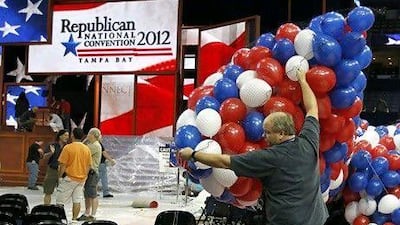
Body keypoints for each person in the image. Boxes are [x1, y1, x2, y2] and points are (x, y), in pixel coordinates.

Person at [179, 69, 329, 225]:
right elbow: (312, 109)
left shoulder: (270, 157)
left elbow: (224, 162)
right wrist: (302, 80)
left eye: (268, 132)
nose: (264, 136)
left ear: (281, 133)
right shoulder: (309, 141)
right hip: (317, 221)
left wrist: (193, 155)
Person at [56, 128, 92, 223]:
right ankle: (74, 220)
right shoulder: (86, 148)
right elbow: (89, 165)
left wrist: (59, 177)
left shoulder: (68, 147)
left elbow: (63, 165)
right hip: (81, 179)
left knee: (60, 201)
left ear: (72, 135)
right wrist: (85, 176)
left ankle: (60, 220)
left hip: (69, 178)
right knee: (77, 200)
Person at [78, 128, 102, 222]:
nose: (87, 135)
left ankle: (93, 214)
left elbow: (82, 152)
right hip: (88, 172)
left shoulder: (95, 145)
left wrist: (83, 141)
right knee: (87, 194)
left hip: (92, 173)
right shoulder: (91, 144)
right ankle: (87, 212)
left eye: (89, 133)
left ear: (93, 135)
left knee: (92, 194)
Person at [43, 129, 69, 205]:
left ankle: (60, 209)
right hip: (52, 170)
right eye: (65, 135)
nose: (67, 137)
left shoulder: (68, 147)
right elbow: (44, 157)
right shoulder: (52, 145)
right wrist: (51, 153)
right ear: (60, 136)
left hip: (64, 171)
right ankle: (46, 207)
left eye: (68, 135)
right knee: (48, 191)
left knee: (62, 193)